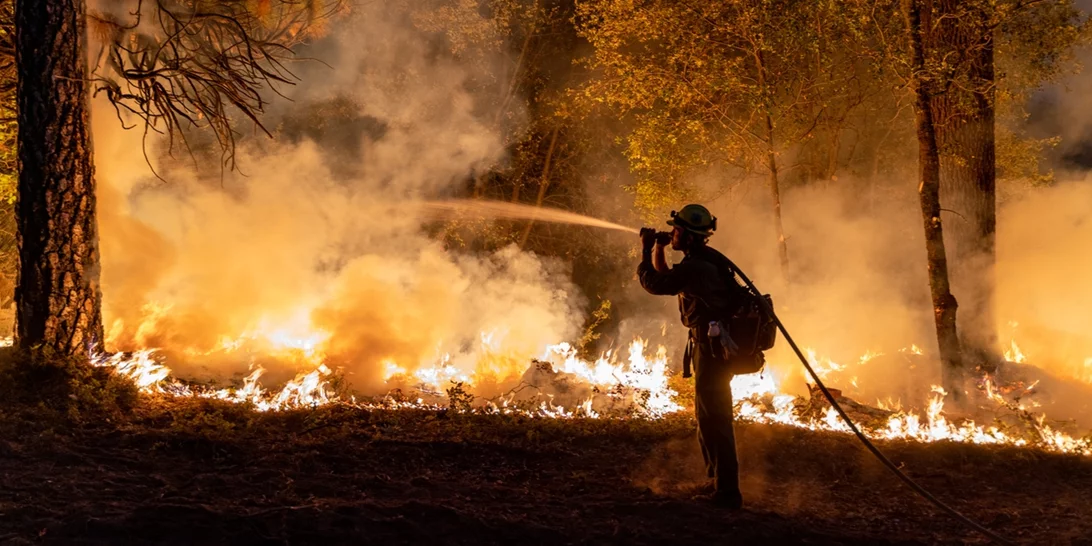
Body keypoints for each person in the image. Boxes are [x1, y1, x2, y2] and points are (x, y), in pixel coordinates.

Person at [637, 204, 763, 509]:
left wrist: (643, 250)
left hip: (713, 350)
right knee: (706, 416)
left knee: (716, 417)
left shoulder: (698, 267)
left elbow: (654, 283)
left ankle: (728, 493)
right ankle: (716, 481)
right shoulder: (699, 262)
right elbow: (666, 274)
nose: (672, 233)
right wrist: (658, 247)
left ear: (690, 237)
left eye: (677, 231)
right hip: (707, 345)